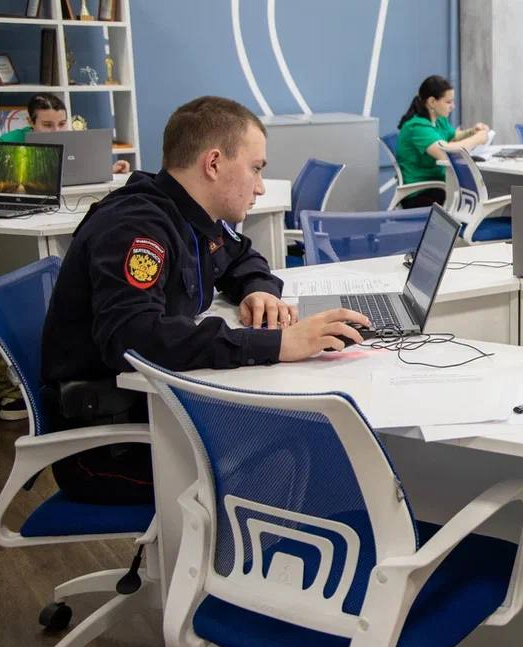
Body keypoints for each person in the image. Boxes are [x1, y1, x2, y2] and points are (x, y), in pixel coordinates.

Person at [40, 96, 372, 505]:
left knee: (306, 431)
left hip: (160, 412)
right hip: (111, 444)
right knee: (308, 441)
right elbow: (132, 337)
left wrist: (258, 290)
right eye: (256, 168)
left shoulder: (190, 215)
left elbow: (243, 257)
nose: (260, 186)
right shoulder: (136, 227)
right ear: (213, 163)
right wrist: (275, 344)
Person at [395, 75, 489, 209]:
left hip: (439, 185)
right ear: (432, 102)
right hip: (420, 193)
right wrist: (477, 139)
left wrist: (472, 131)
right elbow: (447, 153)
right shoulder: (417, 127)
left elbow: (453, 136)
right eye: (448, 102)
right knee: (474, 197)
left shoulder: (438, 120)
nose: (453, 106)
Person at [0, 92, 131, 173]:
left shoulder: (72, 140)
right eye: (47, 125)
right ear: (30, 122)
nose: (56, 131)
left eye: (62, 124)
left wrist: (109, 170)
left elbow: (82, 170)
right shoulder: (8, 142)